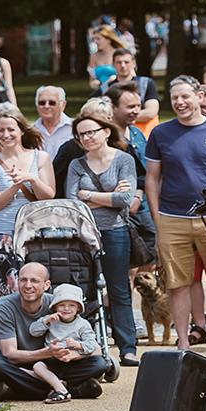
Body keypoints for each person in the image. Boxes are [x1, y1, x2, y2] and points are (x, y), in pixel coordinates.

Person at [145, 77, 206, 349]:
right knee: (177, 284)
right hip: (172, 218)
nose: (179, 102)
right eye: (174, 98)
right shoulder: (160, 133)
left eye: (185, 96)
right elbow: (152, 178)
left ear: (199, 96)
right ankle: (182, 343)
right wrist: (157, 216)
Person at [67, 114, 141, 365]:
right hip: (84, 234)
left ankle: (127, 347)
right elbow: (73, 202)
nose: (87, 137)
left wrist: (89, 195)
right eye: (81, 134)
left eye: (91, 132)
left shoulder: (124, 160)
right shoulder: (77, 164)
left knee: (118, 289)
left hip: (116, 231)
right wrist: (108, 196)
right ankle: (90, 345)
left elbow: (125, 200)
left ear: (106, 131)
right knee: (85, 289)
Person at [0, 263, 110, 401]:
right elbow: (10, 354)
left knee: (99, 364)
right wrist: (47, 352)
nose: (28, 285)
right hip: (18, 367)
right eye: (23, 280)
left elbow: (95, 348)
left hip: (50, 366)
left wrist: (73, 354)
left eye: (34, 281)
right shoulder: (2, 307)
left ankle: (28, 389)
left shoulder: (60, 305)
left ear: (46, 285)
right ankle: (69, 388)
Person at [0, 112, 53, 299]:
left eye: (11, 129)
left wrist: (31, 179)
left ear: (21, 131)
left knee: (39, 290)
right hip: (3, 235)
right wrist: (14, 186)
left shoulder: (41, 157)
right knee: (7, 293)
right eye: (0, 131)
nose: (6, 134)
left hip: (36, 234)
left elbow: (49, 196)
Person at [26, 285, 98, 404]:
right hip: (53, 359)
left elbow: (91, 345)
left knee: (99, 364)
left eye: (71, 305)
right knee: (37, 366)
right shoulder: (51, 320)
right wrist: (46, 321)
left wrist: (78, 345)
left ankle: (56, 384)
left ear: (78, 308)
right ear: (55, 307)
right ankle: (63, 389)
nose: (66, 308)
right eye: (62, 305)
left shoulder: (83, 324)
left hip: (74, 361)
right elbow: (33, 331)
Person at [31, 85, 74, 158]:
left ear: (63, 105)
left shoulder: (74, 128)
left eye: (52, 103)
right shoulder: (31, 131)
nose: (46, 106)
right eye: (42, 103)